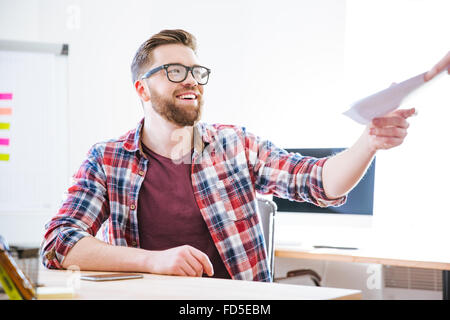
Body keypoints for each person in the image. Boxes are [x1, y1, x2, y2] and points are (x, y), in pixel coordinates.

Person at [40, 29, 437, 282]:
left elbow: (318, 181)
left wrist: (368, 142)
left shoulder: (236, 145)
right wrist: (153, 260)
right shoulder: (107, 159)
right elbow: (59, 244)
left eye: (196, 71)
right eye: (174, 71)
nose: (191, 80)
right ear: (142, 89)